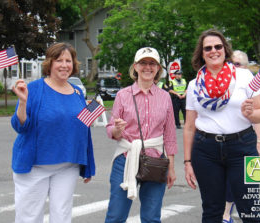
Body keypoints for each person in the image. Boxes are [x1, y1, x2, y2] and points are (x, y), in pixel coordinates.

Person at [184, 29, 260, 223]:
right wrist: (187, 162)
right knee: (212, 210)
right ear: (201, 53)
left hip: (243, 147)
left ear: (225, 49)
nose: (214, 51)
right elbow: (189, 127)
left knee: (250, 208)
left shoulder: (244, 75)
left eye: (218, 46)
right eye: (208, 48)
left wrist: (250, 114)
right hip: (206, 151)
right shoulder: (193, 85)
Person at [11, 42, 95, 223]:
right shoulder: (33, 89)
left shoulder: (78, 92)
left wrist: (88, 166)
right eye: (59, 60)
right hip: (34, 167)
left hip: (67, 167)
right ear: (50, 63)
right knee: (29, 218)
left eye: (68, 60)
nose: (64, 65)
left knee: (62, 217)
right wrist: (23, 103)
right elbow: (20, 126)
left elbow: (83, 131)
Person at [105, 47, 177, 223]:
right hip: (126, 157)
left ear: (158, 68)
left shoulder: (165, 97)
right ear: (135, 67)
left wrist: (171, 167)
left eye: (152, 63)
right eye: (143, 63)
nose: (147, 67)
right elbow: (110, 128)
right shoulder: (123, 95)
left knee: (152, 217)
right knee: (116, 216)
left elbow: (169, 134)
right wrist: (117, 130)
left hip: (156, 160)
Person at [220, 50, 260, 223]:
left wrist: (259, 143)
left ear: (245, 67)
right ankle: (226, 213)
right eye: (231, 63)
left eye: (237, 64)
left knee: (252, 187)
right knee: (230, 181)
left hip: (249, 141)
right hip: (227, 143)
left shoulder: (251, 84)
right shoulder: (224, 83)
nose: (233, 67)